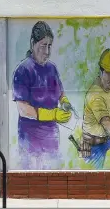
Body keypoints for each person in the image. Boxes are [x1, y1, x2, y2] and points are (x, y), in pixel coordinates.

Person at [12, 21, 74, 170]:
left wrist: (65, 102)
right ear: (33, 43)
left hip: (51, 137)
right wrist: (52, 114)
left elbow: (60, 92)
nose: (47, 51)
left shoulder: (52, 68)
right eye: (43, 45)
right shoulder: (23, 70)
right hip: (30, 139)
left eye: (49, 46)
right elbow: (22, 108)